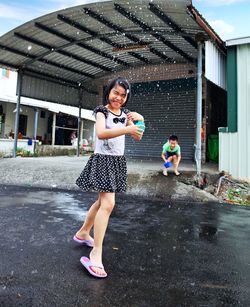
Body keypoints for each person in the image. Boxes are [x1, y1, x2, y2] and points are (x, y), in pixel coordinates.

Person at [74, 77, 144, 278]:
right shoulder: (101, 111)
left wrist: (140, 121)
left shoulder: (125, 115)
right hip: (103, 161)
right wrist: (128, 128)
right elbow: (102, 133)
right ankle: (96, 252)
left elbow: (138, 135)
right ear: (108, 92)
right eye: (116, 93)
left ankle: (83, 232)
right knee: (108, 204)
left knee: (100, 202)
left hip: (116, 162)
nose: (119, 98)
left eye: (123, 95)